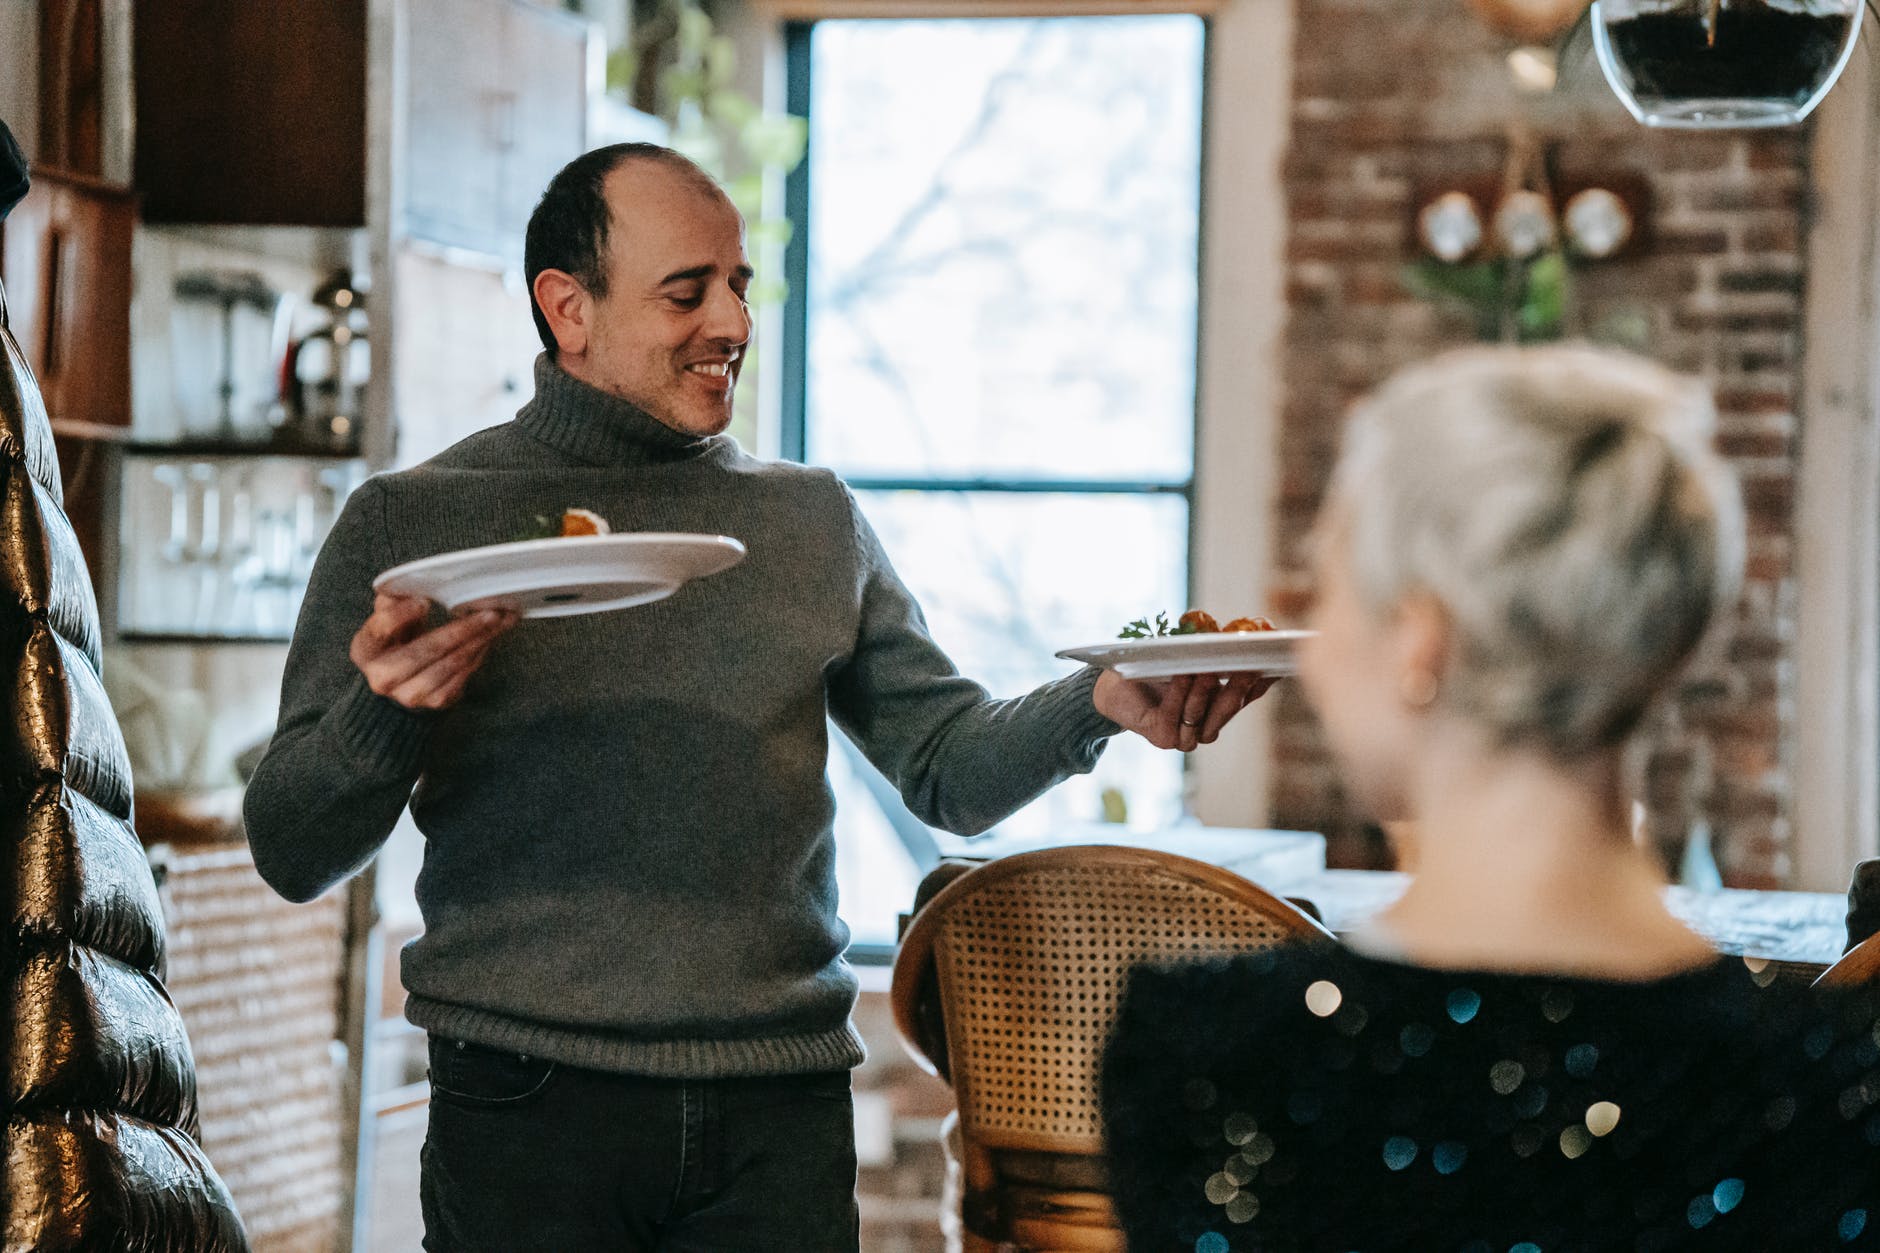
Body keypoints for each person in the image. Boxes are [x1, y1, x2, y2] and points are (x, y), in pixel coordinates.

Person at [243, 142, 1267, 1251]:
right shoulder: (413, 529)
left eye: (738, 285)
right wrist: (381, 711)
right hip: (525, 1109)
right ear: (567, 308)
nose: (731, 321)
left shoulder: (809, 518)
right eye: (688, 291)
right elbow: (291, 846)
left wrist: (1100, 700)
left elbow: (949, 769)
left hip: (777, 1111)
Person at [1100, 345, 1880, 1252]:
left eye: (1326, 587)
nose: (1309, 648)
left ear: (1422, 638)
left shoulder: (1207, 1060)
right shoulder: (1840, 1088)